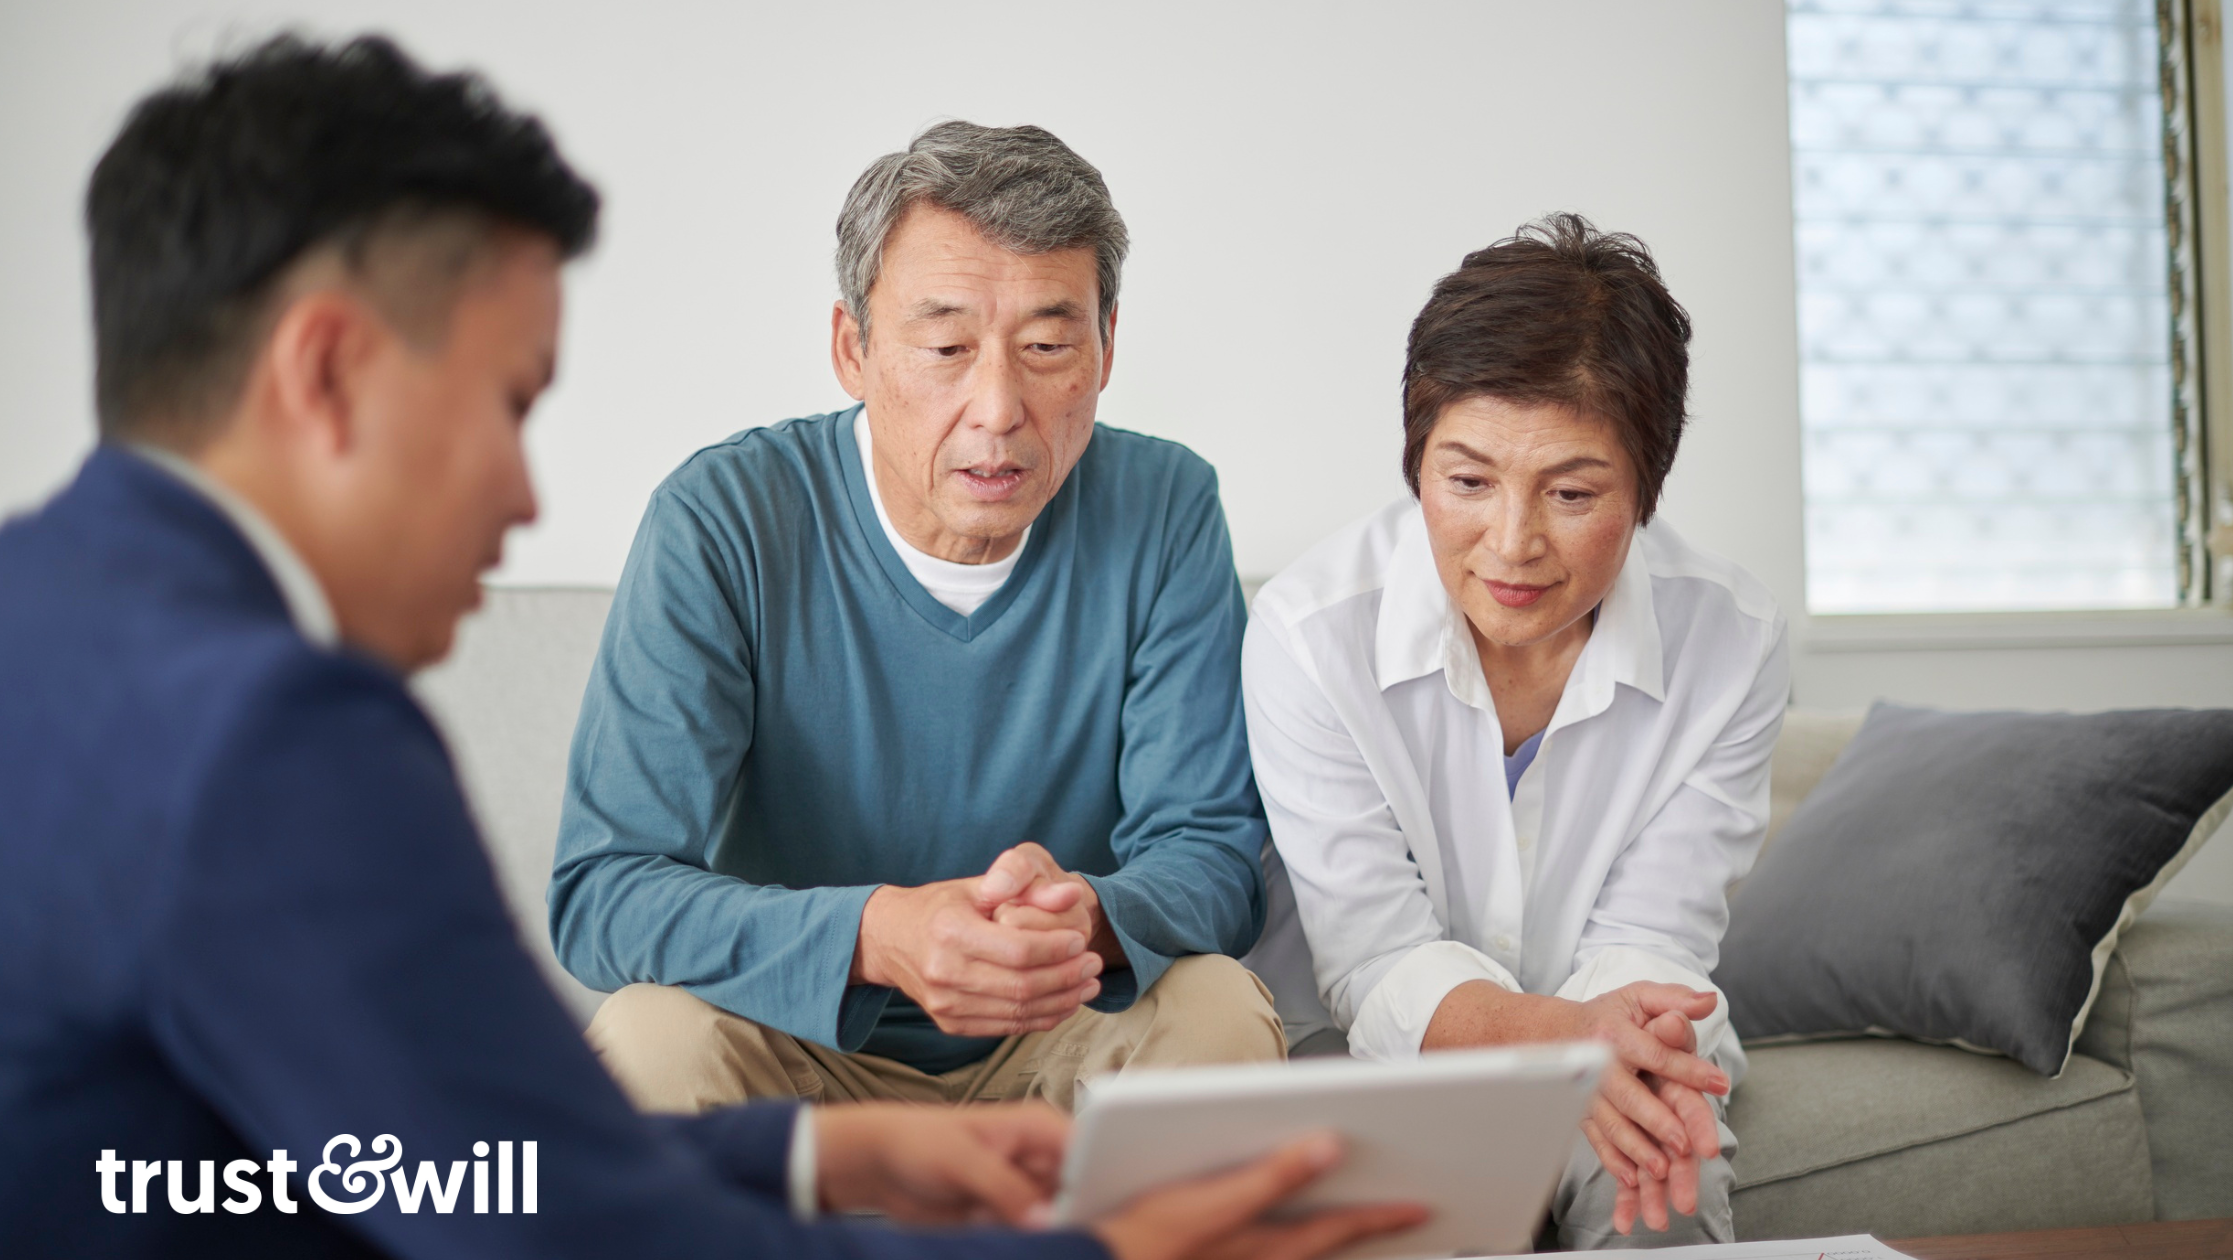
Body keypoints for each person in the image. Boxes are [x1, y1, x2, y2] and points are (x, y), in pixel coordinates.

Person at [0, 35, 1421, 1260]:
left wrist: (809, 1166)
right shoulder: (278, 735)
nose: (527, 496)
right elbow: (540, 1213)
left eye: (1048, 346)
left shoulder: (48, 620)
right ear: (323, 371)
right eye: (510, 401)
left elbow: (436, 1161)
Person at [550, 121, 1283, 1114]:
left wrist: (1086, 918)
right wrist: (875, 935)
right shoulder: (722, 518)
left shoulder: (1165, 506)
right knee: (645, 1039)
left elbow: (1211, 856)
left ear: (1105, 349)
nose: (996, 408)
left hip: (1058, 1029)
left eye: (1046, 347)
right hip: (794, 1034)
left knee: (1217, 1011)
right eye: (944, 346)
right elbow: (605, 890)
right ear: (851, 349)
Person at [1239, 215, 1790, 1249]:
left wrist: (1599, 1056)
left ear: (1645, 487)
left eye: (1572, 494)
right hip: (1385, 1058)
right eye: (1466, 482)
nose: (1511, 542)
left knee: (1661, 1181)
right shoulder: (1309, 635)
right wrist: (1556, 1043)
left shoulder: (1732, 638)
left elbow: (1654, 941)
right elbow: (1373, 960)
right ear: (1415, 465)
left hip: (1616, 1034)